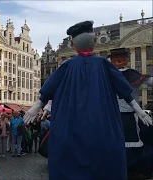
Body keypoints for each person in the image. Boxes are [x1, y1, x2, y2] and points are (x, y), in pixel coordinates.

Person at [24, 21, 152, 180]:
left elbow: (49, 87)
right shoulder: (104, 64)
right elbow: (123, 88)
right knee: (103, 153)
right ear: (96, 40)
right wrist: (138, 110)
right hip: (101, 120)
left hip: (72, 120)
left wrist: (36, 106)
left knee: (70, 152)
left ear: (72, 44)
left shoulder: (67, 65)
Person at [108, 48, 153, 178]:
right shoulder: (131, 75)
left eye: (121, 57)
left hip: (117, 116)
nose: (119, 60)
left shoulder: (110, 75)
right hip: (126, 115)